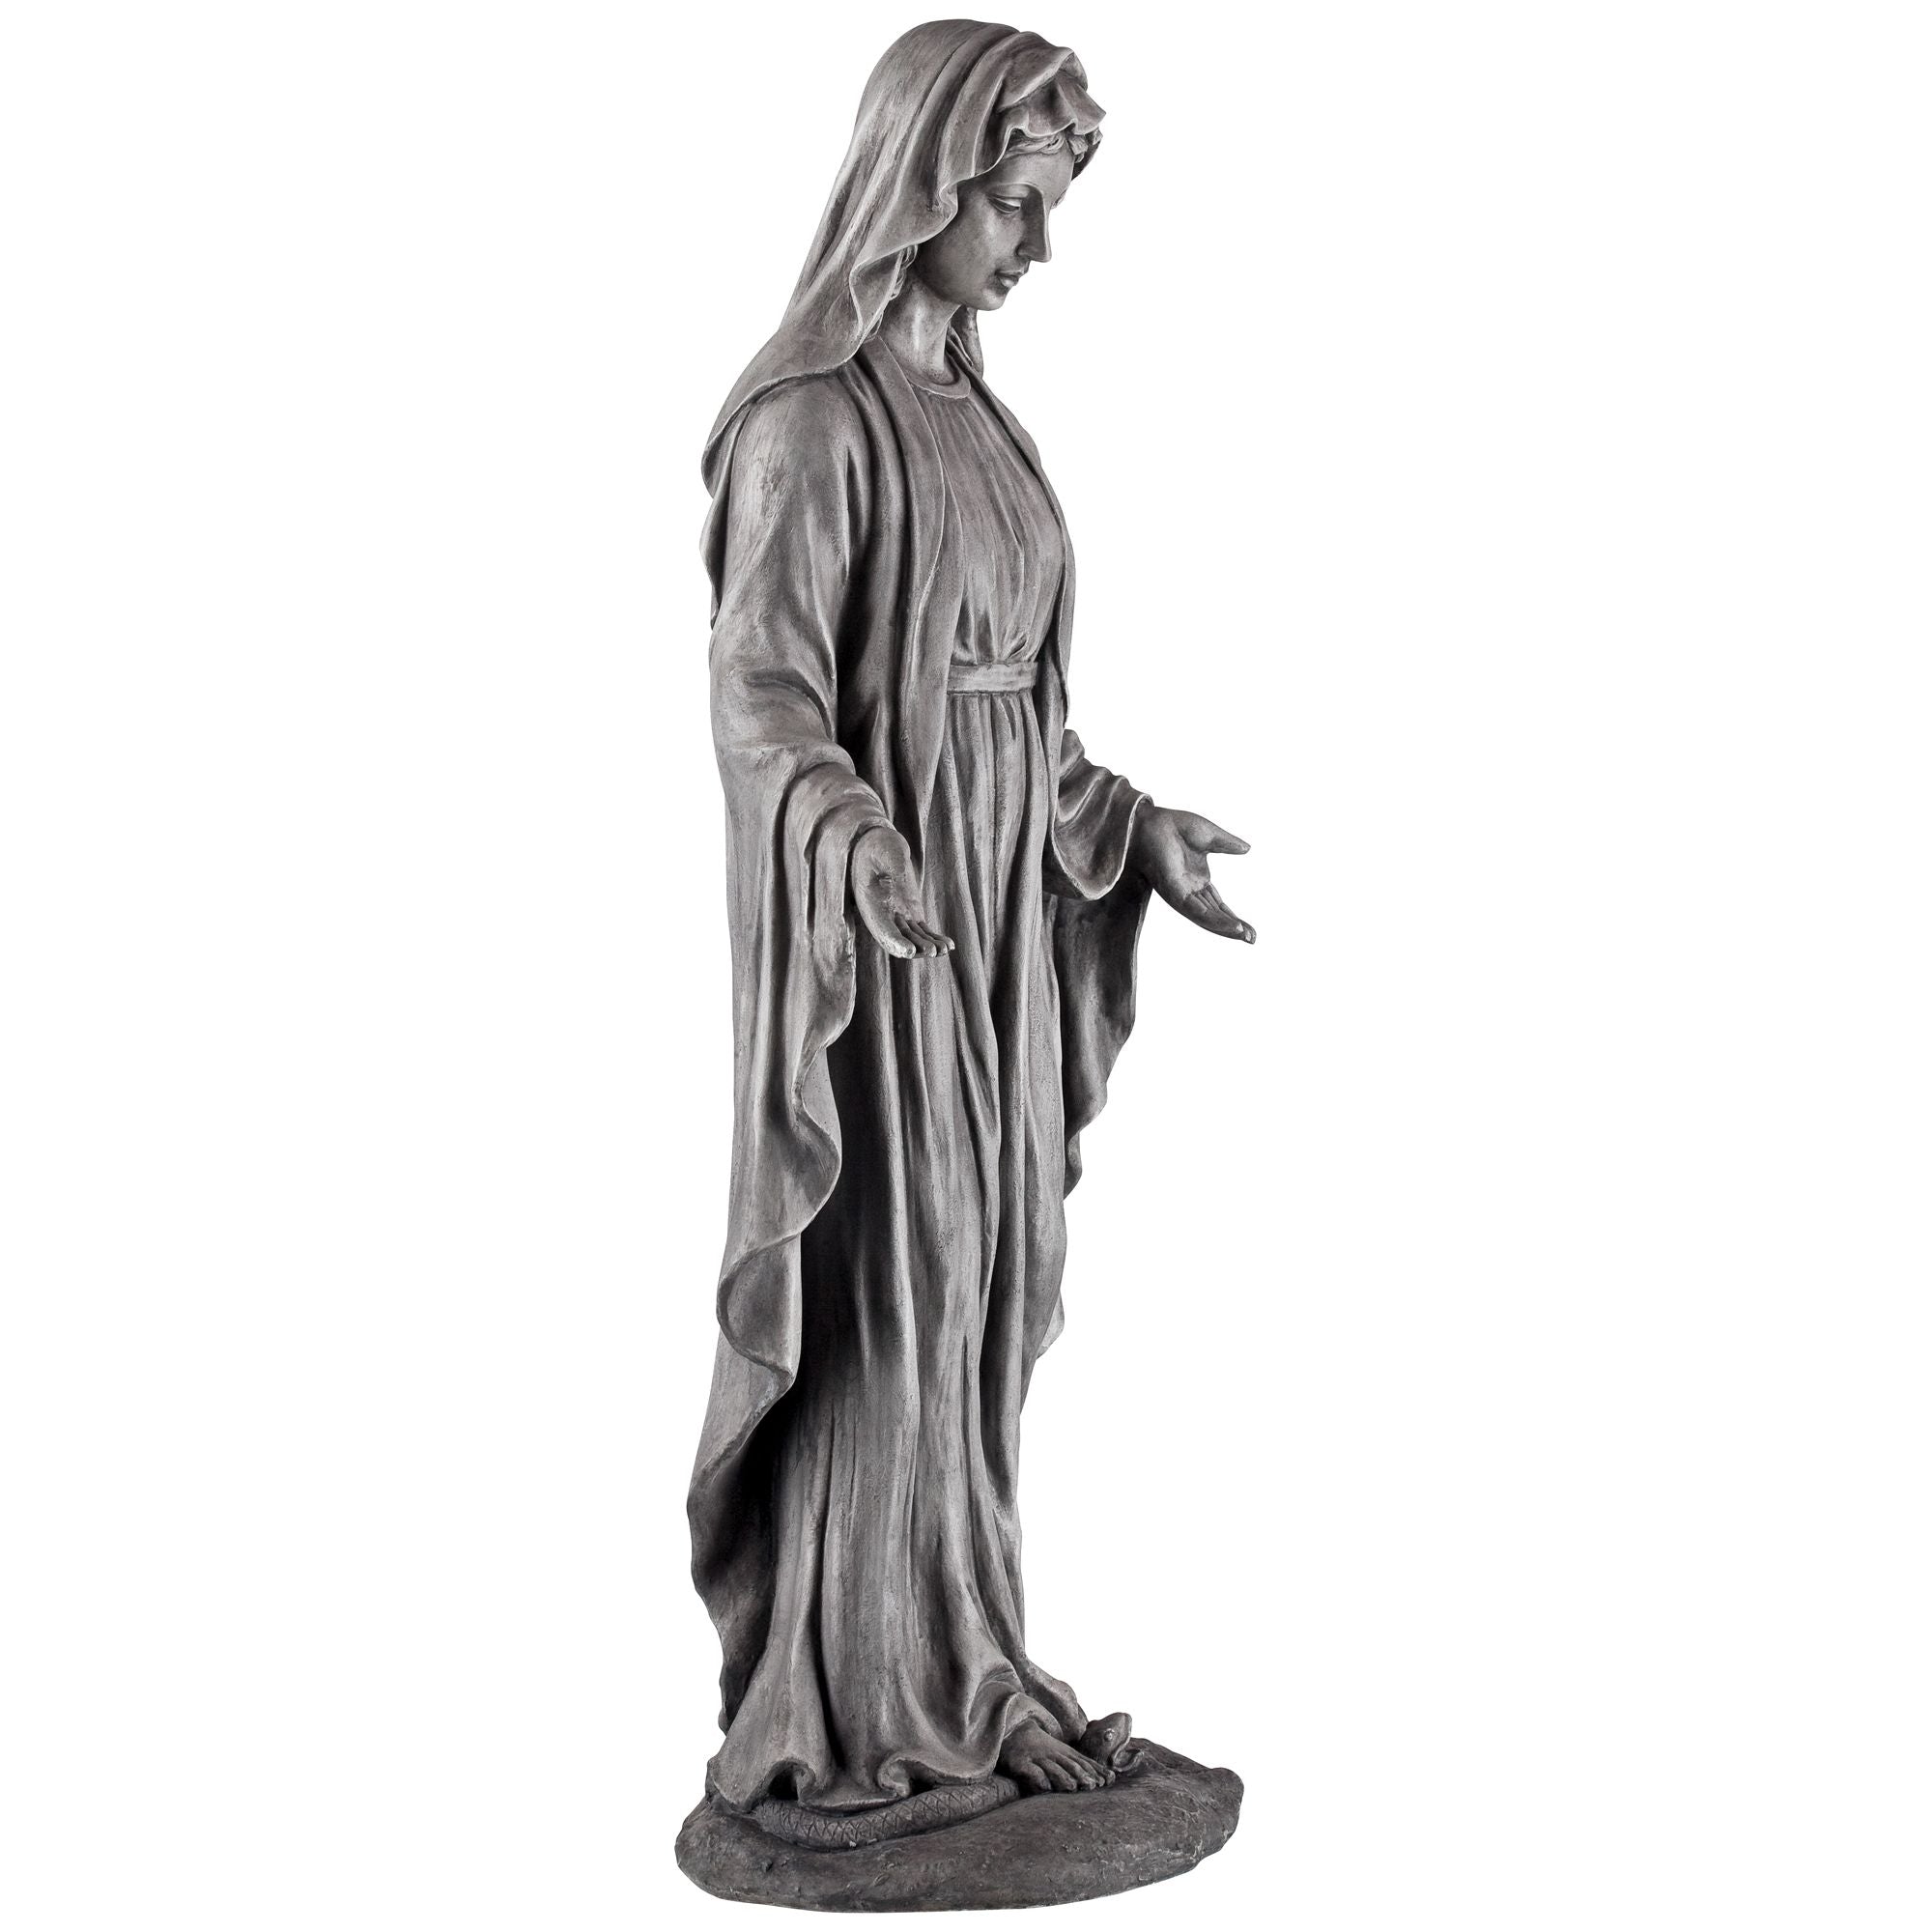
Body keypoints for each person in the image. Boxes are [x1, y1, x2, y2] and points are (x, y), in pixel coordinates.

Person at [690, 20, 1253, 1816]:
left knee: (986, 1295)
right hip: (891, 945)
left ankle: (964, 1660)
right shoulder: (810, 421)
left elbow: (1017, 712)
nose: (1040, 245)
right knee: (902, 1293)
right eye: (1013, 202)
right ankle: (872, 1707)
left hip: (1004, 925)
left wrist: (1126, 826)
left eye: (1053, 203)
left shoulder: (984, 422)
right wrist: (852, 837)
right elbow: (763, 694)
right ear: (918, 180)